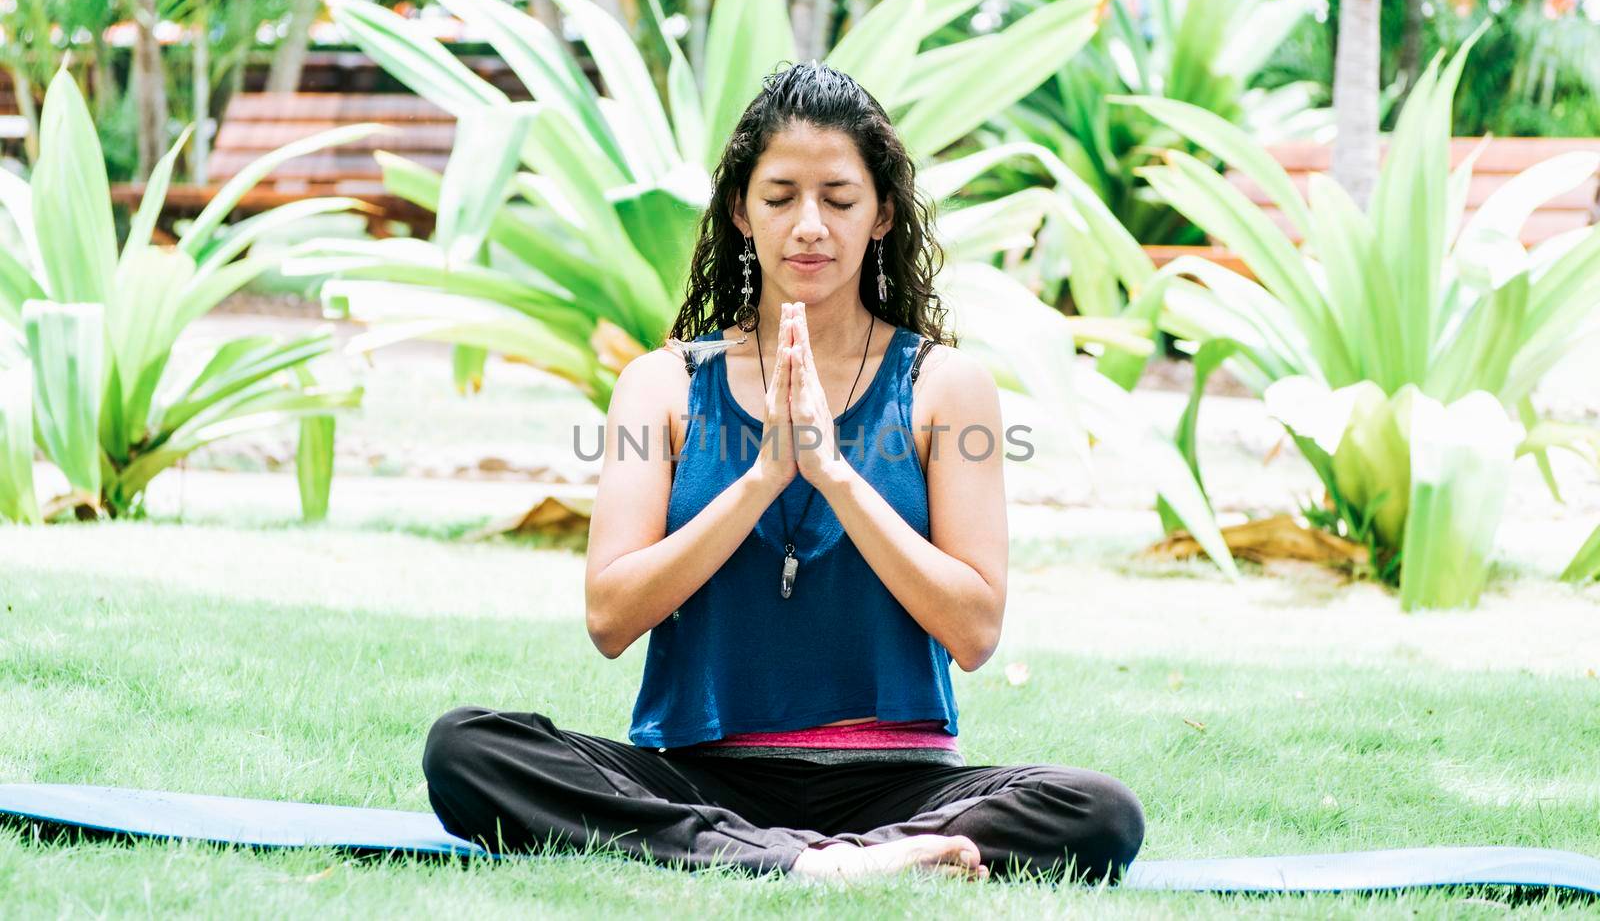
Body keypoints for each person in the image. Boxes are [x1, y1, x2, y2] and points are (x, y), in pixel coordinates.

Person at [422, 61, 1144, 884]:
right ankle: (812, 864)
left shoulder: (944, 389)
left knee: (1100, 810)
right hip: (699, 774)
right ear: (740, 211)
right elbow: (610, 617)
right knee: (467, 748)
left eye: (839, 200)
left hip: (898, 787)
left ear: (881, 216)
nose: (809, 226)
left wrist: (835, 474)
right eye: (779, 198)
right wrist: (763, 476)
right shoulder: (663, 387)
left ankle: (827, 857)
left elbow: (975, 632)